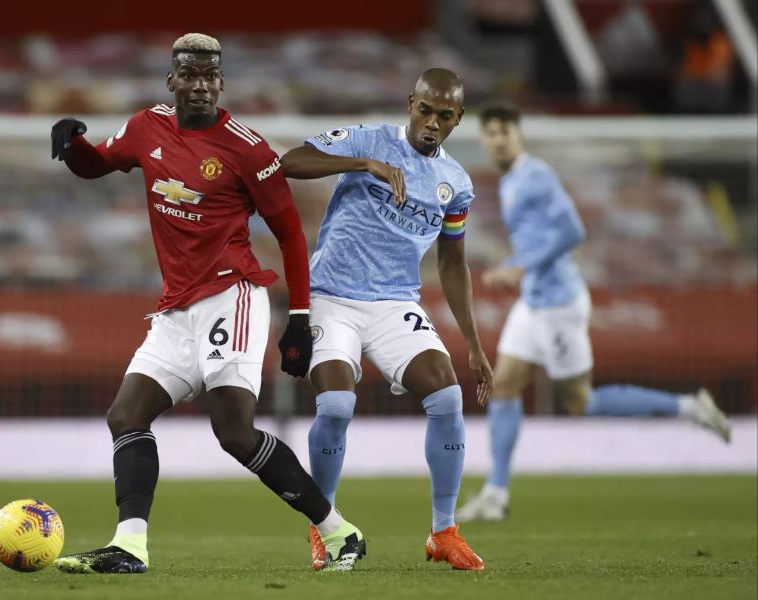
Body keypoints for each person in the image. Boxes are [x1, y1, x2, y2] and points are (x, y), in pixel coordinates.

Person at [49, 33, 365, 574]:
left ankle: (340, 533)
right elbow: (98, 164)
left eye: (208, 77)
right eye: (188, 75)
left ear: (221, 84)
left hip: (231, 294)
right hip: (176, 306)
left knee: (233, 432)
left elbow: (290, 234)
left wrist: (300, 318)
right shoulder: (146, 126)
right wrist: (73, 145)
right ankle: (130, 546)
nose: (198, 85)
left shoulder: (249, 149)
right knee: (126, 414)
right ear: (171, 81)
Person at [456, 101, 732, 522]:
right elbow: (540, 236)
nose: (497, 140)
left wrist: (519, 266)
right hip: (534, 300)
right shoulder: (511, 180)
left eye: (504, 132)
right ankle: (496, 492)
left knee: (579, 402)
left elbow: (572, 231)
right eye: (490, 133)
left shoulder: (535, 176)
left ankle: (690, 407)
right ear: (483, 139)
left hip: (558, 304)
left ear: (519, 135)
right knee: (506, 385)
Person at [281, 68, 493, 571]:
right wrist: (366, 164)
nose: (432, 122)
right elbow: (290, 162)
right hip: (331, 295)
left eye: (445, 115)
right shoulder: (370, 138)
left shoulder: (455, 184)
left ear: (458, 120)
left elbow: (451, 263)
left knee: (446, 396)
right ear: (410, 104)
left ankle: (444, 531)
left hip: (395, 302)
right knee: (334, 405)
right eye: (425, 110)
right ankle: (325, 527)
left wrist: (475, 344)